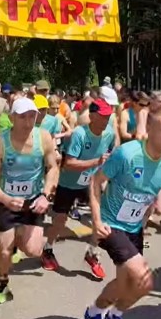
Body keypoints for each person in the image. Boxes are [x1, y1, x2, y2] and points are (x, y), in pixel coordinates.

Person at [83, 107, 161, 319]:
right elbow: (95, 182)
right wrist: (97, 221)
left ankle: (102, 312)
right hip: (111, 224)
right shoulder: (127, 154)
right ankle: (106, 312)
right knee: (144, 280)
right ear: (149, 129)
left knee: (127, 283)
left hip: (135, 227)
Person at [0, 97, 59, 304]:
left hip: (34, 200)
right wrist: (6, 199)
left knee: (34, 250)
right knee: (5, 250)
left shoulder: (43, 138)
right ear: (12, 118)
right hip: (5, 202)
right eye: (23, 117)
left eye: (32, 116)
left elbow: (53, 168)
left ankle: (19, 238)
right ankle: (2, 282)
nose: (28, 122)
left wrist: (46, 195)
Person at [41, 99, 115, 278]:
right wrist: (95, 162)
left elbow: (112, 152)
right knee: (59, 221)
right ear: (91, 116)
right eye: (103, 116)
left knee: (103, 220)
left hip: (92, 183)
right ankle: (48, 248)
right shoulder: (79, 135)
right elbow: (68, 164)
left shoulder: (110, 133)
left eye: (108, 116)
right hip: (69, 183)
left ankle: (92, 253)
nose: (106, 120)